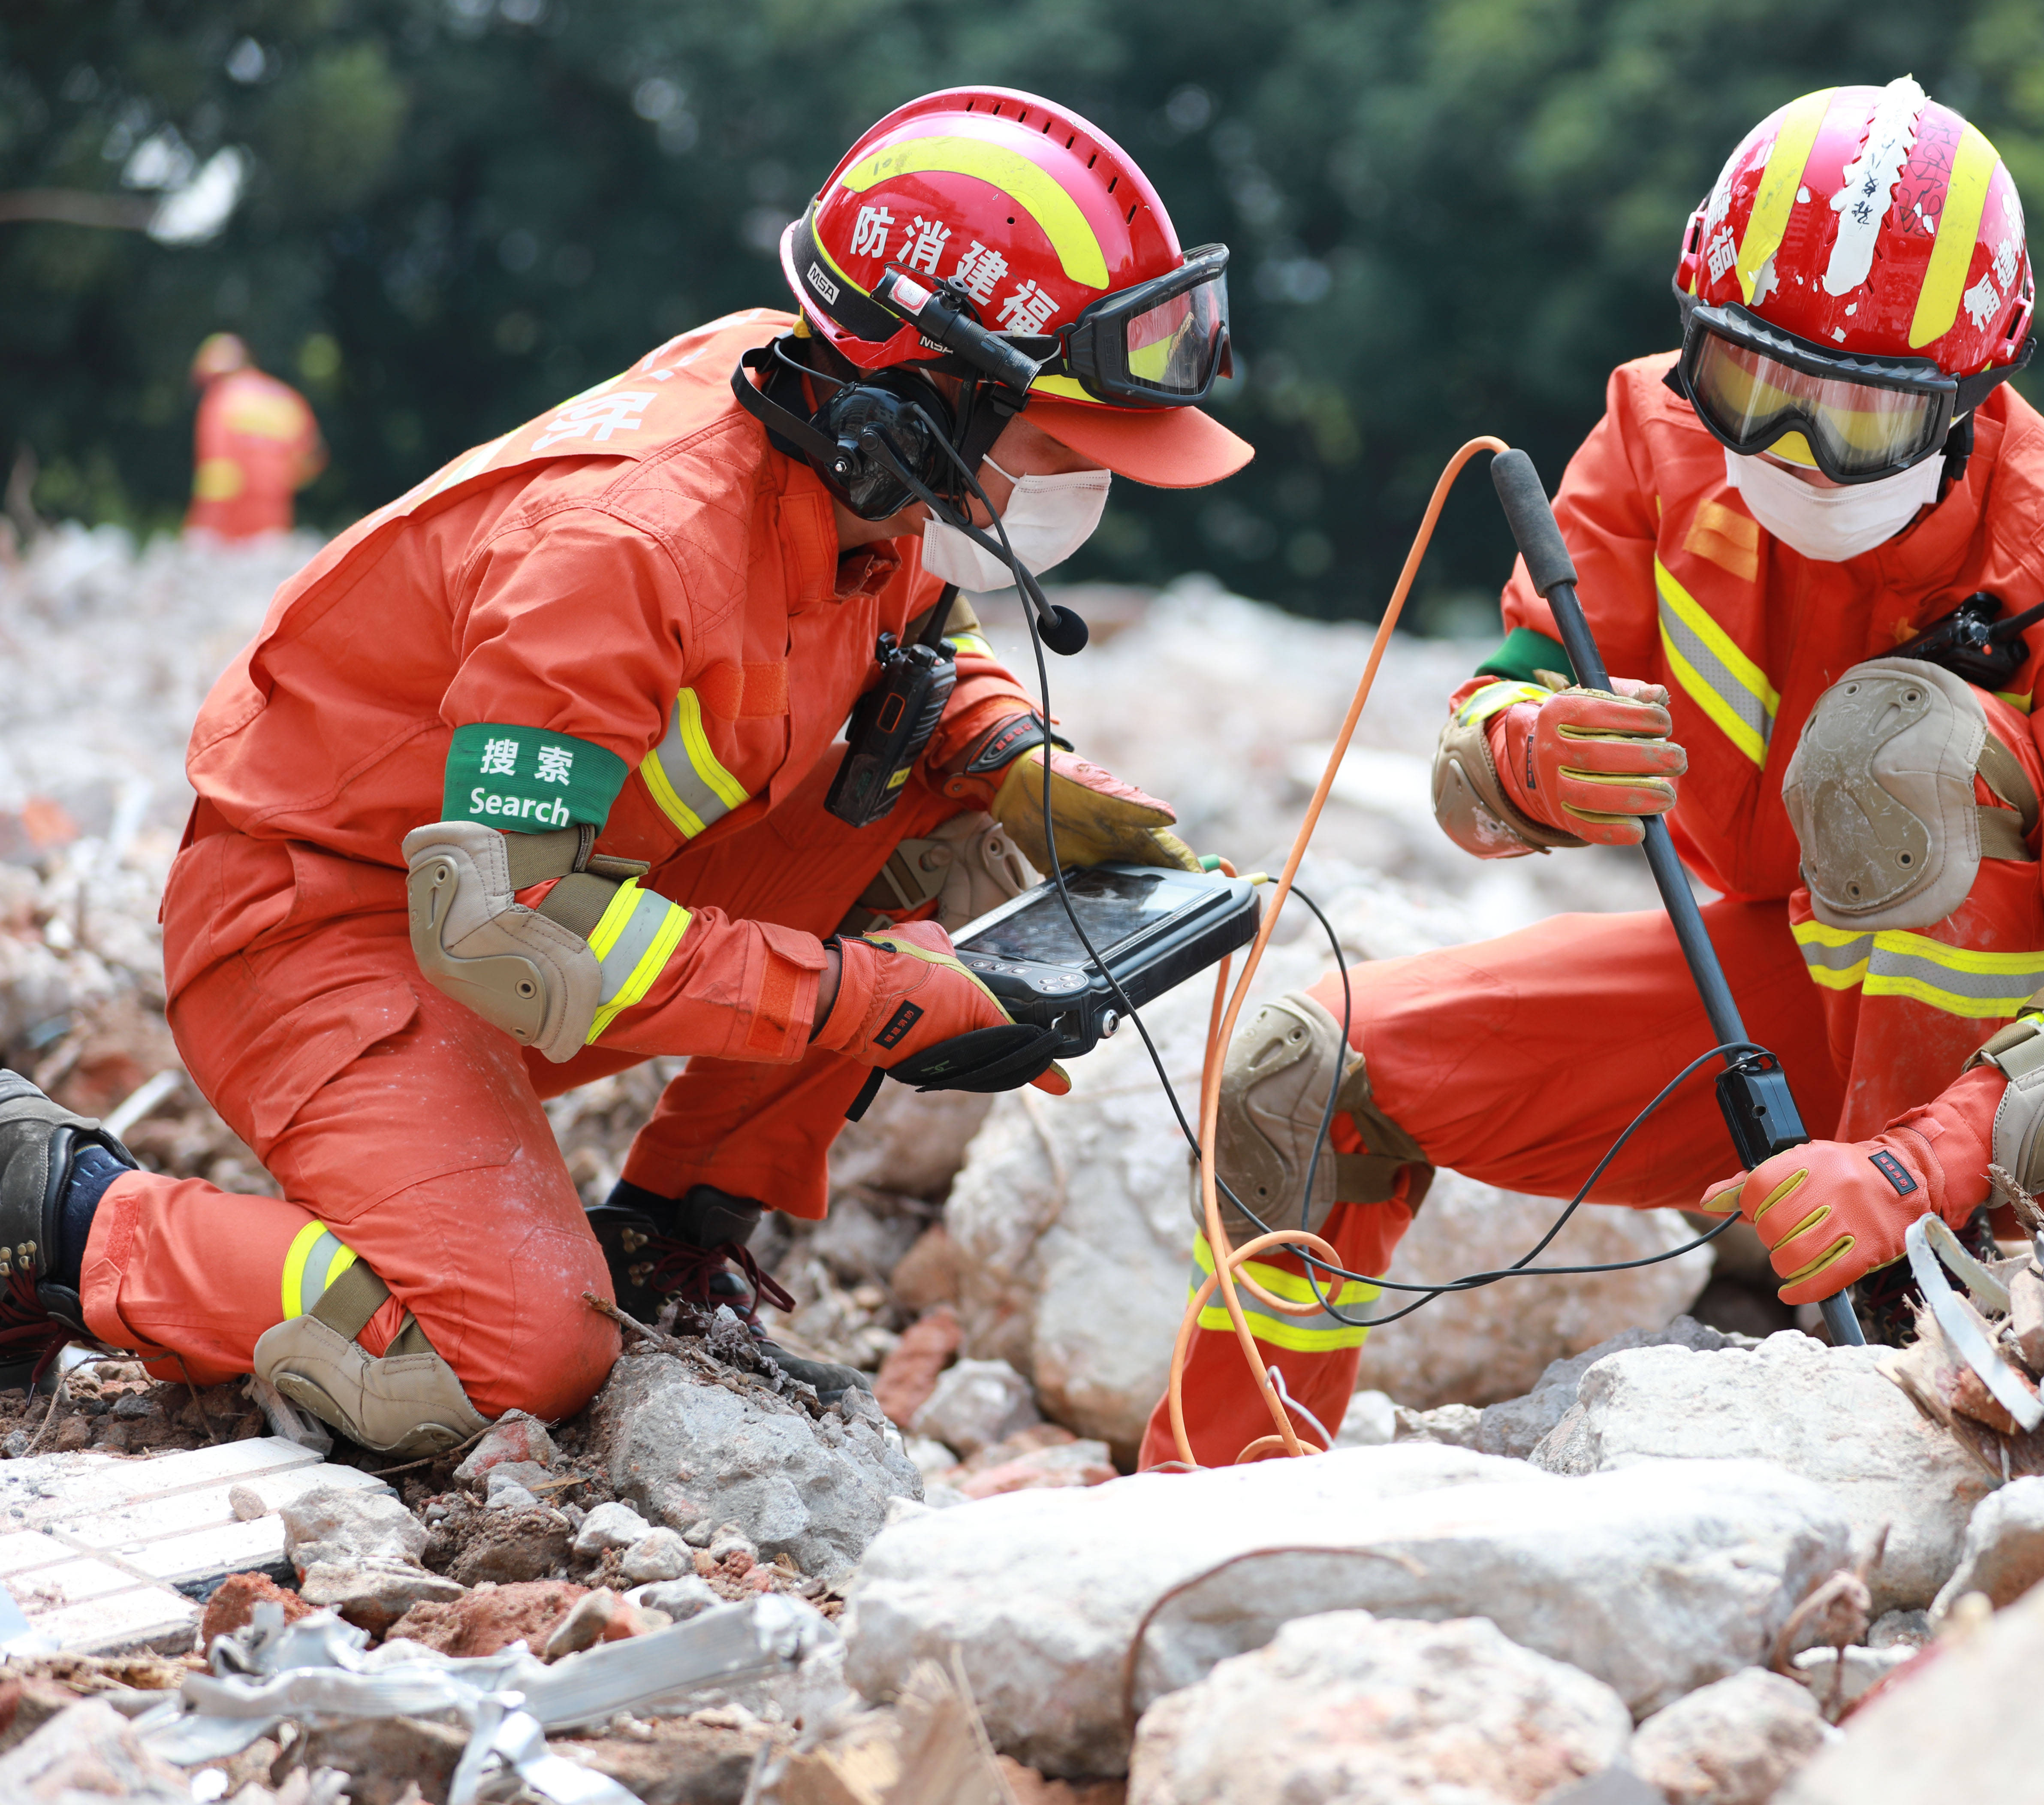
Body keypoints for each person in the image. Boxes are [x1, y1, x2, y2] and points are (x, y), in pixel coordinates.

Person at [0, 88, 1250, 1455]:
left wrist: (1004, 752)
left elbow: (915, 636)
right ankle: (63, 1208)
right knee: (500, 1354)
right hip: (329, 930)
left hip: (510, 899)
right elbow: (508, 934)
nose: (1078, 485)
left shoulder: (851, 445)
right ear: (923, 399)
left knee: (929, 792)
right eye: (1062, 448)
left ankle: (670, 1240)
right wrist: (894, 999)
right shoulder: (628, 549)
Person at [1145, 79, 2044, 1468]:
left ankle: (1932, 1295)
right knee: (1307, 1072)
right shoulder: (1657, 441)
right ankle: (1208, 1491)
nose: (1792, 449)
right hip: (1782, 986)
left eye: (1861, 415)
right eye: (1753, 383)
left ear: (1973, 394)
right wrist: (1520, 761)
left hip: (2017, 1094)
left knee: (1894, 742)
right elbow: (1495, 717)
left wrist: (1911, 1170)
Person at [184, 334, 326, 541]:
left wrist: (201, 527)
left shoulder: (221, 401)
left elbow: (217, 470)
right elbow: (313, 460)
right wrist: (275, 481)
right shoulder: (285, 399)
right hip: (275, 525)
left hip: (228, 529)